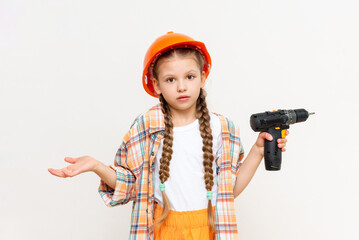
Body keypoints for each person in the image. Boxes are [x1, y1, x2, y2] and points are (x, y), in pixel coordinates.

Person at [48, 31, 289, 240]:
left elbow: (229, 190)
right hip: (161, 228)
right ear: (156, 85)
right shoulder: (146, 126)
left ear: (203, 77)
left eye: (190, 77)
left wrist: (258, 151)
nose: (181, 86)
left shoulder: (222, 128)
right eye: (170, 79)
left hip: (210, 229)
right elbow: (132, 186)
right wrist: (97, 166)